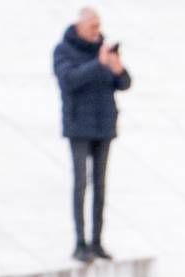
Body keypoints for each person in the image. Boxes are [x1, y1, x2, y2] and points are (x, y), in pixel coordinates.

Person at [53, 7, 132, 263]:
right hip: (79, 127)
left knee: (101, 185)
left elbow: (124, 83)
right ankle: (80, 242)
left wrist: (117, 68)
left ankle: (97, 241)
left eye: (99, 26)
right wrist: (98, 64)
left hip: (103, 127)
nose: (97, 31)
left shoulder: (104, 52)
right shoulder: (65, 50)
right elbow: (69, 80)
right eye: (92, 27)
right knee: (80, 184)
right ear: (80, 26)